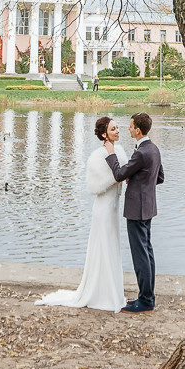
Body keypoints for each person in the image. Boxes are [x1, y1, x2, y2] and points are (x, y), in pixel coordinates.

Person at [36, 116, 128, 312]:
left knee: (113, 247)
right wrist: (115, 179)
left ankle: (113, 292)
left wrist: (123, 178)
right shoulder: (96, 156)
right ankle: (99, 294)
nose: (118, 131)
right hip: (102, 209)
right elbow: (93, 186)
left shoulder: (120, 151)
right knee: (102, 247)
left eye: (118, 128)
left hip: (114, 208)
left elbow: (126, 173)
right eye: (113, 129)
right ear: (104, 134)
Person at [104, 111, 164, 313]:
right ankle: (147, 297)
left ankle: (145, 301)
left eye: (130, 126)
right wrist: (139, 178)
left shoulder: (141, 153)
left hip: (137, 209)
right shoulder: (153, 149)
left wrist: (111, 155)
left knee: (140, 255)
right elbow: (159, 177)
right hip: (148, 207)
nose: (127, 128)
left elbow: (120, 174)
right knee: (147, 252)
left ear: (138, 130)